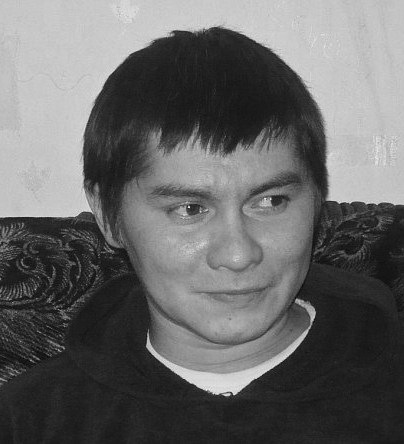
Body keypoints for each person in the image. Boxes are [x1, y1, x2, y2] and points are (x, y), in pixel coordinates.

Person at [0, 27, 403, 443]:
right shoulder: (28, 422)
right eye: (190, 209)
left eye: (271, 202)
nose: (238, 254)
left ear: (318, 198)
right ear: (108, 214)